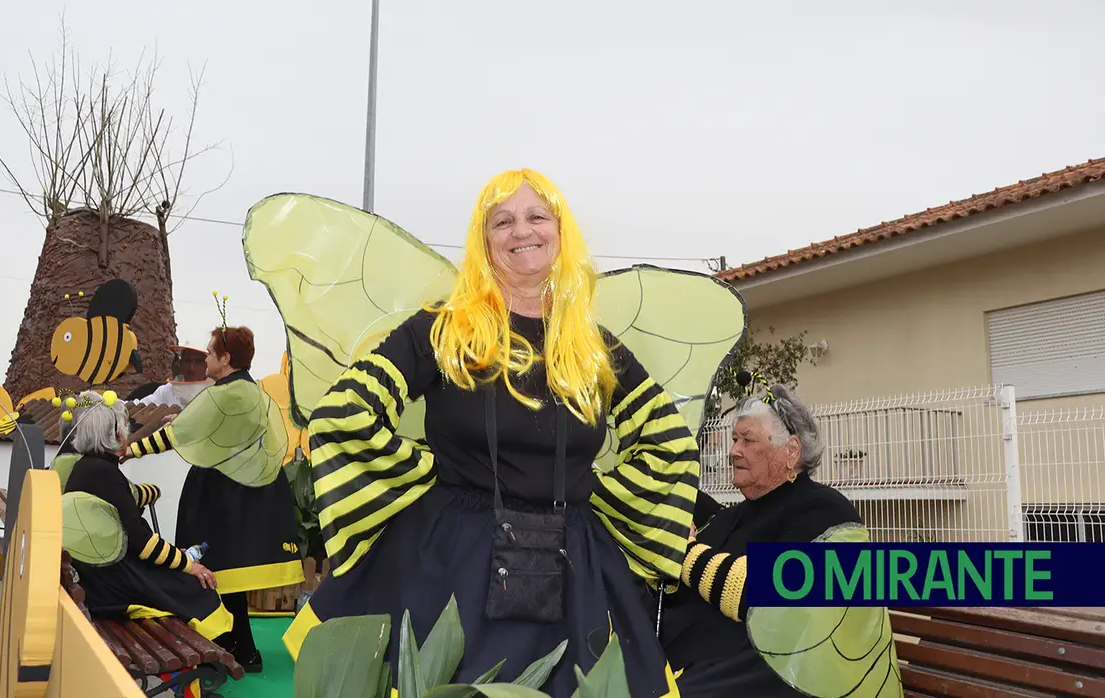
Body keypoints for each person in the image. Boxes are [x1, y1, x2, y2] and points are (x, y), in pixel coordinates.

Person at [283, 170, 697, 697]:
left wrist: (593, 495)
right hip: (449, 567)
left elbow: (671, 445)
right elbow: (344, 413)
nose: (521, 231)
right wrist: (432, 476)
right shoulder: (442, 329)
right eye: (502, 221)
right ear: (484, 243)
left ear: (560, 231)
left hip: (573, 573)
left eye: (536, 216)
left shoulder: (595, 348)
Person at [658, 380, 902, 697]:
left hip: (780, 680)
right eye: (734, 439)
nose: (733, 451)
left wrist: (686, 553)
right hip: (703, 665)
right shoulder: (737, 514)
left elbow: (767, 594)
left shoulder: (825, 511)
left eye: (747, 440)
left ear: (790, 451)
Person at [127, 326, 305, 672]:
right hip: (242, 494)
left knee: (213, 571)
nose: (206, 358)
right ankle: (238, 649)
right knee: (227, 574)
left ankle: (233, 649)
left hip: (225, 498)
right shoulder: (247, 391)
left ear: (225, 359)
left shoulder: (225, 394)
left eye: (210, 353)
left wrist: (129, 451)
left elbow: (176, 436)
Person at [62, 390, 233, 641]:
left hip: (95, 576)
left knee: (177, 575)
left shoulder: (87, 467)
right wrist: (188, 564)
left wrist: (177, 558)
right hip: (109, 582)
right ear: (117, 434)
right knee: (196, 585)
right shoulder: (104, 473)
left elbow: (126, 508)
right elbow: (140, 541)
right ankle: (210, 659)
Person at [132, 343, 215, 408]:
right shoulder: (168, 390)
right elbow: (140, 406)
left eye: (198, 362)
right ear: (181, 364)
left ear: (207, 365)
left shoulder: (216, 393)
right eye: (188, 361)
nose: (191, 368)